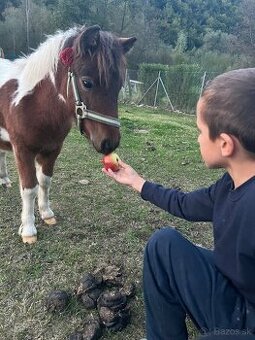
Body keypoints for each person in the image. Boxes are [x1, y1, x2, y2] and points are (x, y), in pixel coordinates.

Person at [102, 68, 255, 340]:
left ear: (225, 144)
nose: (197, 138)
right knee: (163, 245)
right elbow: (185, 204)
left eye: (200, 130)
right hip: (233, 294)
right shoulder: (230, 183)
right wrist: (137, 181)